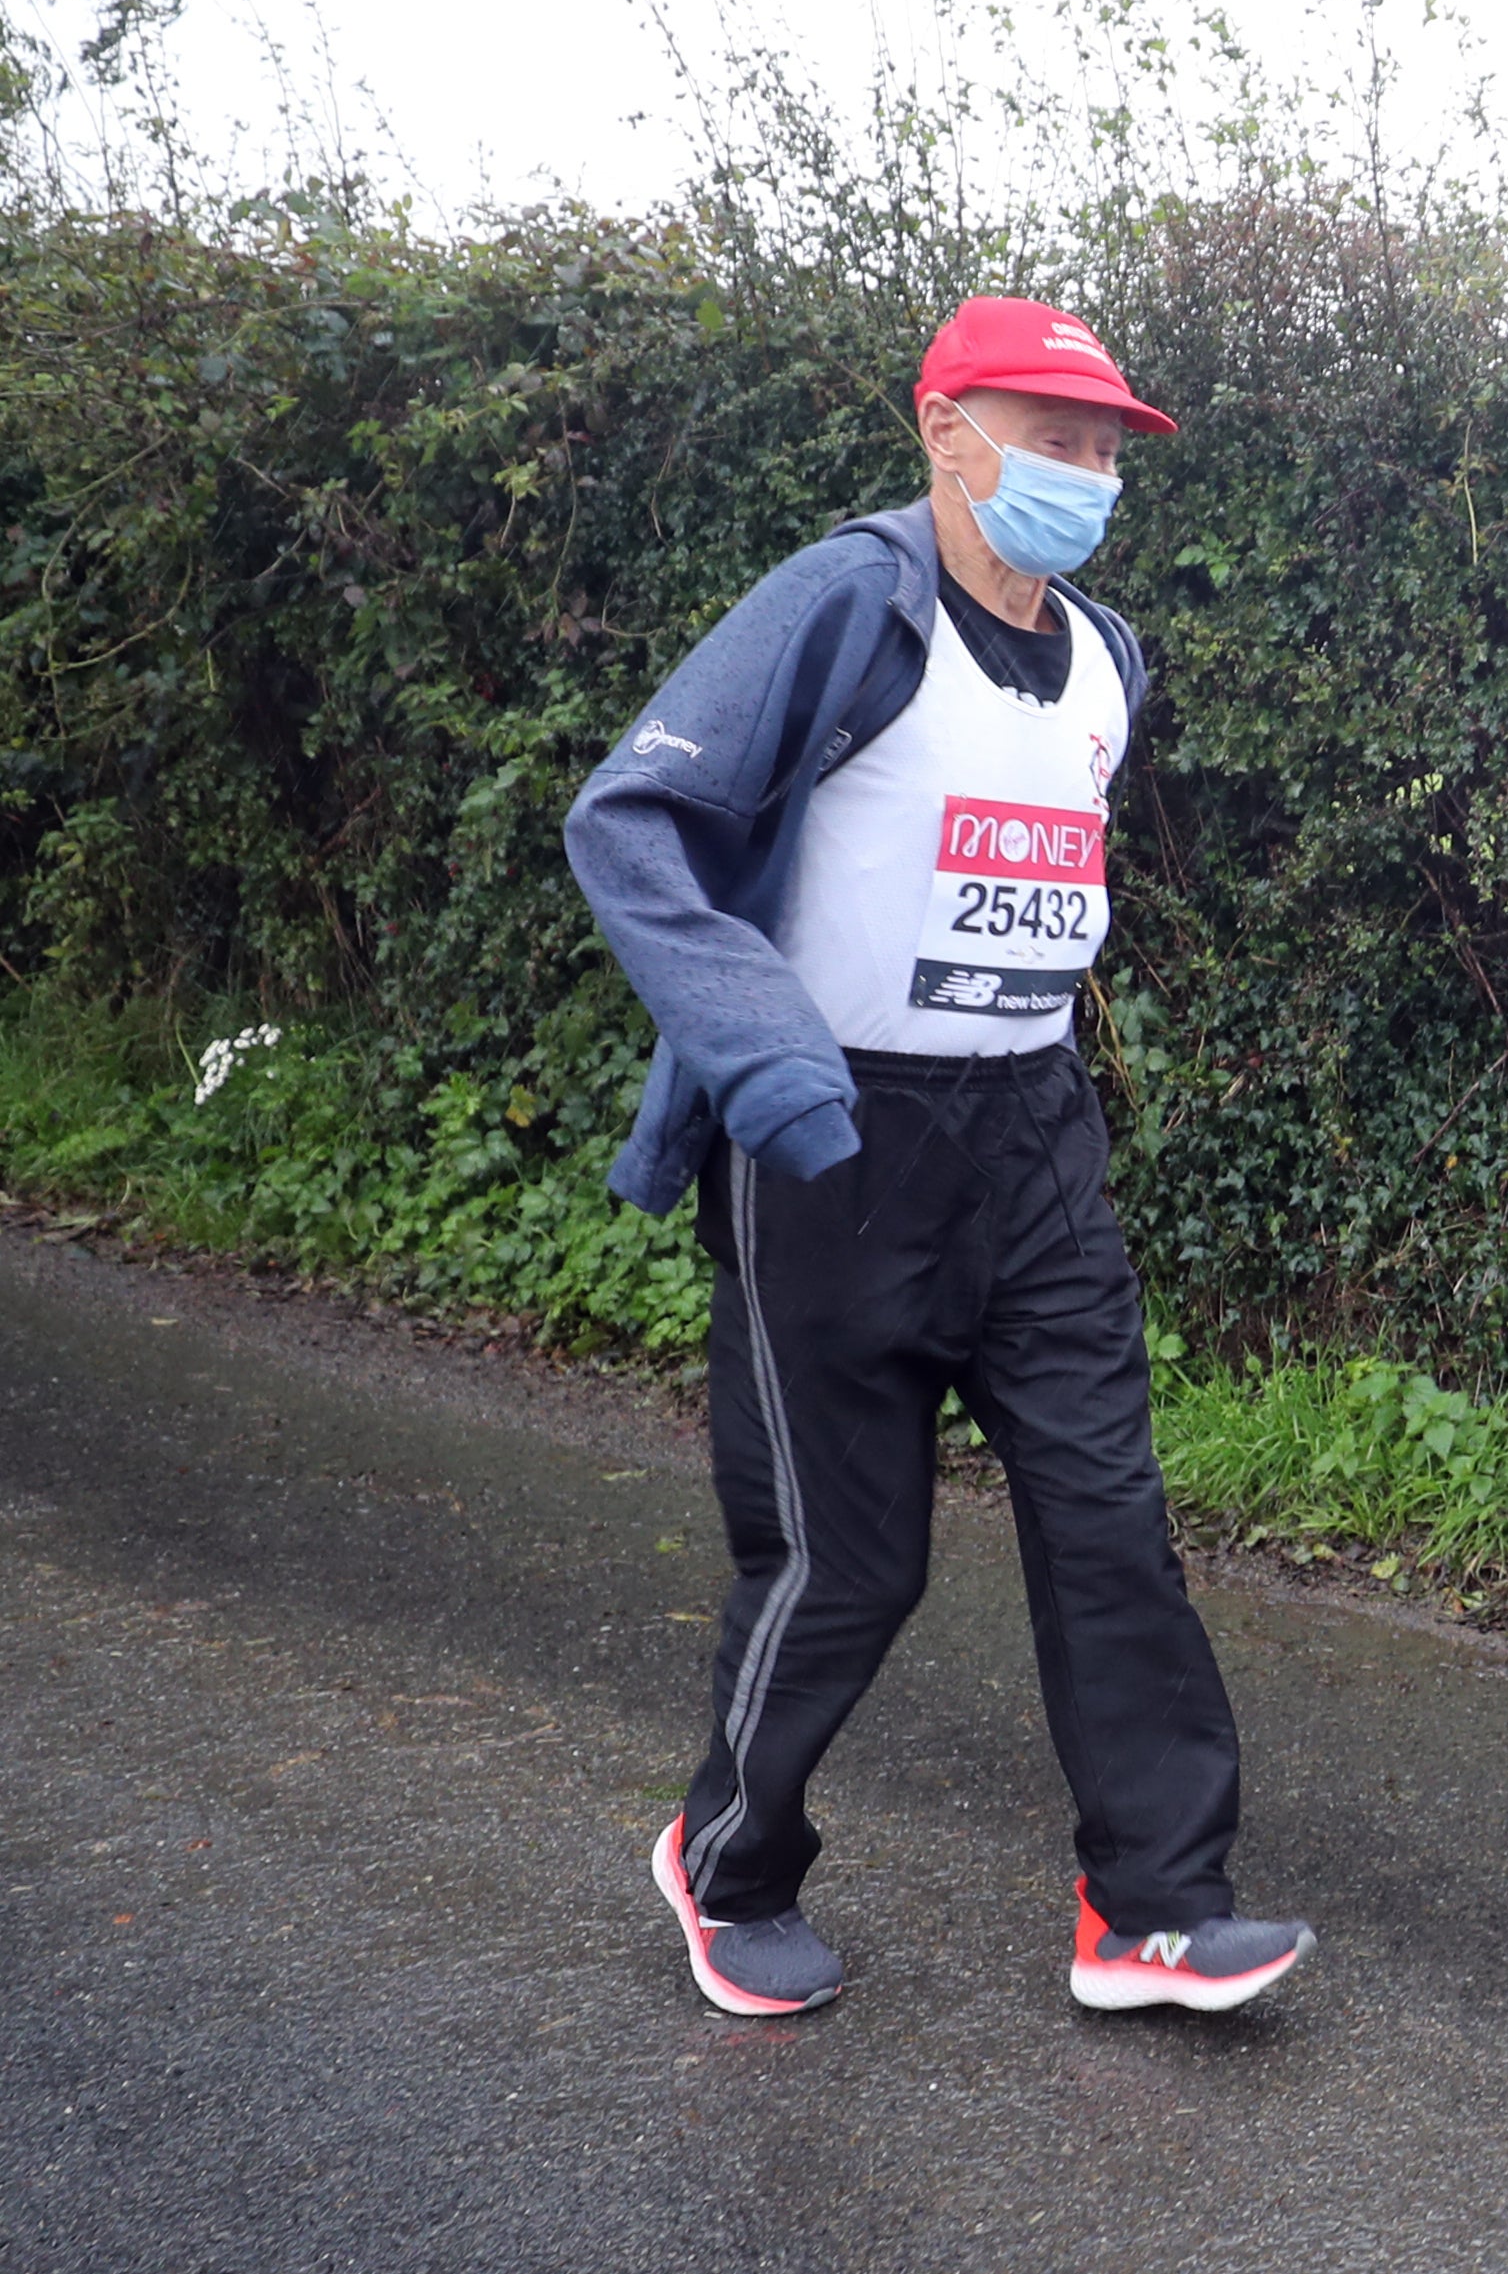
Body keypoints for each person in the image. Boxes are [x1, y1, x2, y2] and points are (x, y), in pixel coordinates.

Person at [565, 296, 1311, 2018]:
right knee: (852, 1558)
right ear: (942, 428)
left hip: (1032, 1142)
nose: (1085, 471)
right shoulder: (850, 601)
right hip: (837, 1143)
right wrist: (769, 1063)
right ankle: (727, 1859)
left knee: (1111, 1515)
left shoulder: (1112, 657)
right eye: (1048, 436)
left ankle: (1152, 1906)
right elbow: (632, 817)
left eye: (1106, 446)